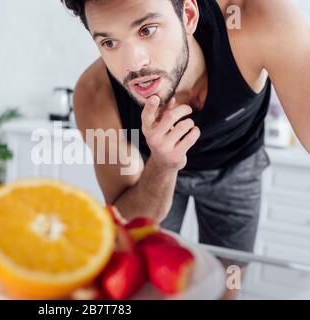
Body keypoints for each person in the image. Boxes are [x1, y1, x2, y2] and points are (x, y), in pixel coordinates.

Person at [62, 0, 310, 298]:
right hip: (153, 172)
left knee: (227, 283)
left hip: (238, 166)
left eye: (147, 29)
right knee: (149, 283)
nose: (134, 64)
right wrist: (164, 164)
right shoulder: (94, 97)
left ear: (188, 15)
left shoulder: (255, 20)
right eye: (110, 42)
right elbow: (125, 223)